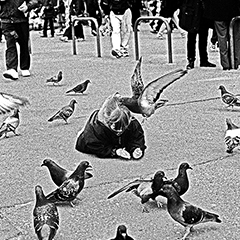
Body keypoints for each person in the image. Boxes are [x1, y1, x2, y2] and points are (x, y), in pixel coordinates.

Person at [75, 93, 146, 160]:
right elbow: (96, 147)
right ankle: (83, 133)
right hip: (92, 144)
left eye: (123, 127)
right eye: (116, 128)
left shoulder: (131, 122)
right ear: (109, 121)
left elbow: (137, 136)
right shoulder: (97, 127)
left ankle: (118, 144)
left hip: (117, 141)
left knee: (125, 134)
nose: (120, 131)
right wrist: (115, 151)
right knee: (87, 140)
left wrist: (136, 148)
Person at [0, 0, 39, 80]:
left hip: (21, 20)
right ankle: (12, 69)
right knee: (10, 44)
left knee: (23, 43)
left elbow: (36, 1)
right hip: (6, 20)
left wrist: (28, 6)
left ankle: (24, 67)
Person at [179, 0, 216, 70]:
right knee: (193, 38)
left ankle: (201, 59)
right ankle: (193, 59)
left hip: (199, 14)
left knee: (201, 38)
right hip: (194, 13)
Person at [203, 0, 240, 70]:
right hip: (235, 10)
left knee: (221, 38)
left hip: (218, 11)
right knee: (236, 38)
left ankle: (225, 64)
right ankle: (235, 61)